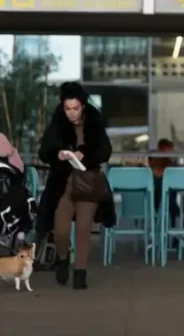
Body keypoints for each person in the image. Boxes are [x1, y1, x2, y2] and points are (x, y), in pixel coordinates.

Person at [36, 82, 116, 290]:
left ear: (83, 106)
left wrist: (85, 154)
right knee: (60, 230)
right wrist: (58, 154)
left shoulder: (94, 123)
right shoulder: (57, 124)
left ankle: (80, 273)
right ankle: (63, 260)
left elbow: (105, 151)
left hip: (88, 183)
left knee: (83, 227)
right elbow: (43, 152)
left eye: (75, 108)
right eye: (67, 108)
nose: (71, 112)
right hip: (63, 185)